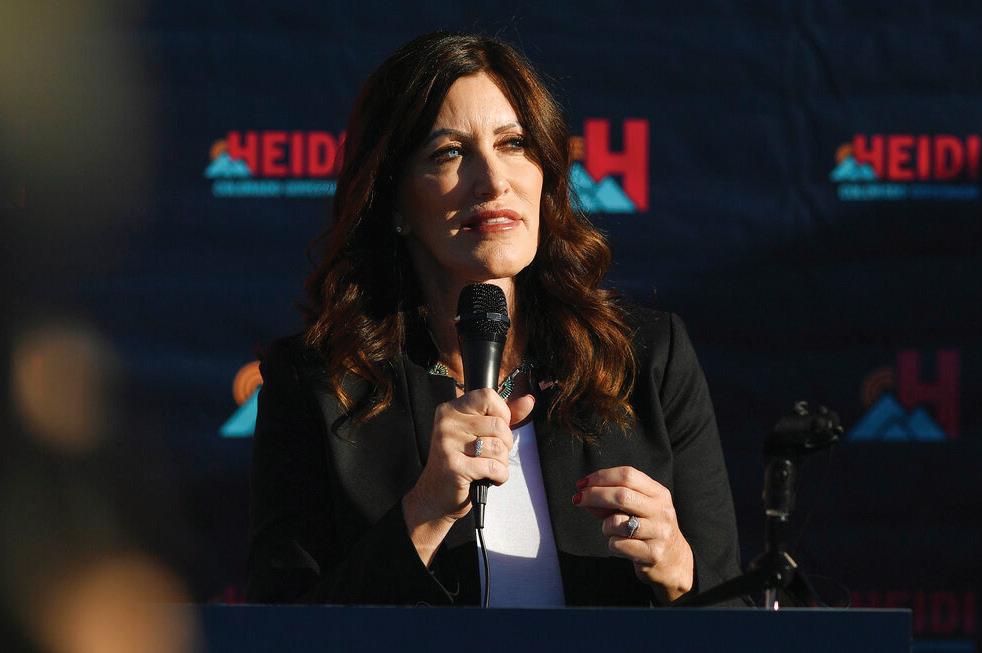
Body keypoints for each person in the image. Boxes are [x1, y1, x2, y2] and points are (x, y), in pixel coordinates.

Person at [247, 31, 741, 607]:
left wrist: (679, 569)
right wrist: (425, 510)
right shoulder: (317, 384)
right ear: (394, 200)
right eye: (449, 153)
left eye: (514, 143)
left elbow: (734, 615)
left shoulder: (648, 358)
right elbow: (283, 626)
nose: (494, 180)